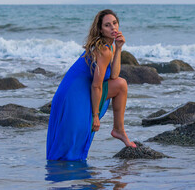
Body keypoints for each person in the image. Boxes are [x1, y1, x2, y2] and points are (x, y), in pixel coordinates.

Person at [47, 9, 136, 161]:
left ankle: (119, 130)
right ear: (100, 29)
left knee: (121, 84)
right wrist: (95, 116)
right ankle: (118, 129)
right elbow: (96, 85)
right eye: (107, 25)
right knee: (69, 145)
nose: (113, 28)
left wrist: (119, 48)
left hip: (79, 89)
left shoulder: (111, 47)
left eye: (114, 23)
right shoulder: (103, 49)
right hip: (73, 93)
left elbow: (114, 76)